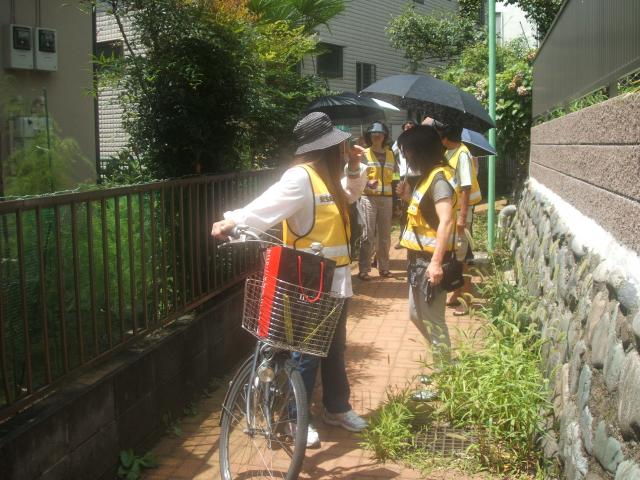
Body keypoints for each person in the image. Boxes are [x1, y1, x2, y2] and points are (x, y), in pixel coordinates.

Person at [211, 112, 369, 449]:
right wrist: (232, 221)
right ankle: (294, 418)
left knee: (335, 348)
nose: (345, 148)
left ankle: (336, 408)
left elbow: (352, 193)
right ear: (326, 147)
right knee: (305, 354)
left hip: (338, 280)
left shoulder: (328, 177)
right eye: (340, 145)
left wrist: (354, 166)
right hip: (309, 283)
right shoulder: (301, 177)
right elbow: (266, 205)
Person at [395, 125, 457, 369]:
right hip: (416, 260)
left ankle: (443, 374)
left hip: (431, 261)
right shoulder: (427, 176)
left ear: (420, 151)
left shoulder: (439, 178)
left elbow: (446, 220)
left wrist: (436, 263)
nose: (406, 157)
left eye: (408, 151)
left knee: (433, 320)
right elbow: (426, 214)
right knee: (415, 314)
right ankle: (442, 363)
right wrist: (407, 199)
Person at [430, 121, 482, 316]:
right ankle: (457, 292)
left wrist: (461, 218)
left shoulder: (462, 154)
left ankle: (466, 299)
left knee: (464, 256)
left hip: (463, 211)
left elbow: (466, 187)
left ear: (444, 136)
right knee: (455, 254)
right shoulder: (450, 152)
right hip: (455, 210)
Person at [357, 121, 397, 280]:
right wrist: (366, 183)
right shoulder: (364, 154)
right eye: (374, 134)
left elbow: (395, 176)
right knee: (367, 235)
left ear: (385, 136)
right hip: (369, 198)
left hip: (387, 199)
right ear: (369, 136)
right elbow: (357, 177)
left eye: (380, 134)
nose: (377, 137)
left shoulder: (390, 154)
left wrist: (398, 200)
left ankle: (384, 268)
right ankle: (364, 269)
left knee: (385, 236)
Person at [391, 120, 419, 249]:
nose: (408, 129)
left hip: (418, 176)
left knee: (418, 206)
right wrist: (397, 169)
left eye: (411, 127)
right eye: (406, 127)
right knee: (404, 208)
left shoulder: (419, 141)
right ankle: (402, 238)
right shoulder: (399, 141)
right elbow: (392, 154)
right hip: (404, 176)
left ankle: (417, 236)